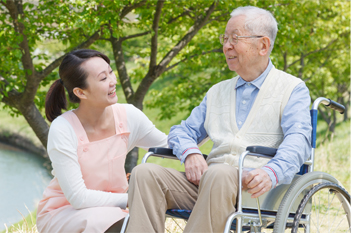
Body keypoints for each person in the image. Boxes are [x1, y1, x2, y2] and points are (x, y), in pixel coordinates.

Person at [127, 5, 312, 233]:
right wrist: (191, 153)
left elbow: (299, 140)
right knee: (145, 174)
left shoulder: (292, 88)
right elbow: (181, 131)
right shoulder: (217, 91)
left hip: (256, 191)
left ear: (263, 45)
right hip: (209, 184)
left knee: (219, 172)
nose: (226, 46)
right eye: (224, 38)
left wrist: (272, 172)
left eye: (235, 38)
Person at [36, 49, 167, 233]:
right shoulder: (63, 128)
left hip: (117, 209)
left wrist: (206, 124)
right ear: (81, 92)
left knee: (133, 221)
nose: (113, 81)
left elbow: (168, 146)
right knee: (116, 222)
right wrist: (131, 199)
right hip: (65, 211)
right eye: (103, 78)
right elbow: (78, 197)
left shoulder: (128, 116)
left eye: (111, 72)